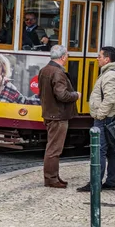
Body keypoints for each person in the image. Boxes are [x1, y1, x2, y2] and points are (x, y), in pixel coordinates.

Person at [77, 46, 115, 192]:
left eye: (99, 56)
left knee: (99, 150)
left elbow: (110, 98)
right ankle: (111, 181)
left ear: (107, 59)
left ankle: (95, 183)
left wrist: (99, 115)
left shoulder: (109, 75)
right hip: (108, 117)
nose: (97, 58)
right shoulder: (110, 73)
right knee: (111, 150)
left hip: (105, 118)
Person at [38, 45, 81, 188]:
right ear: (62, 57)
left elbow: (41, 93)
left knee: (53, 147)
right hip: (58, 115)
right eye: (67, 56)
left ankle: (54, 176)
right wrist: (76, 95)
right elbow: (62, 95)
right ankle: (51, 178)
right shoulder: (58, 72)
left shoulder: (44, 70)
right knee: (54, 149)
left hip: (50, 113)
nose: (67, 58)